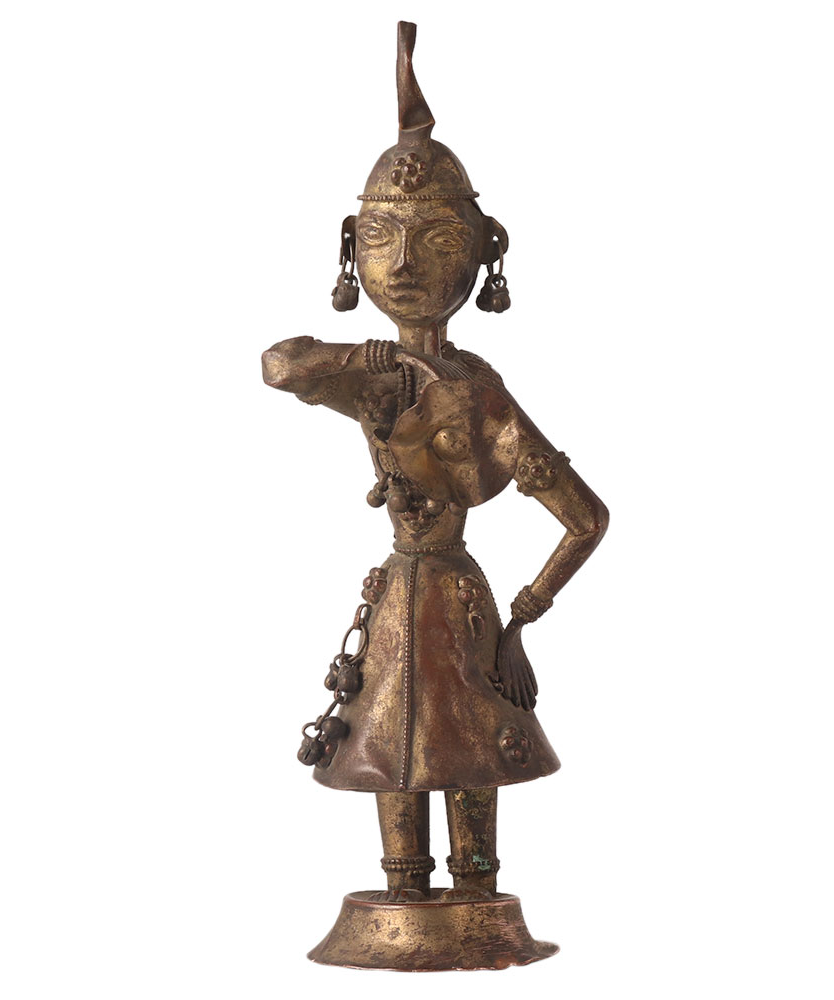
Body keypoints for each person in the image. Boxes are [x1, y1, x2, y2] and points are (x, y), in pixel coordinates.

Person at [262, 22, 607, 903]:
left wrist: (521, 620)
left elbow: (587, 518)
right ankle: (404, 890)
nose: (408, 262)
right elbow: (281, 365)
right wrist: (373, 360)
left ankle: (476, 893)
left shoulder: (481, 394)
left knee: (466, 746)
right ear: (354, 246)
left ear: (486, 249)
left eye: (439, 241)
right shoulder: (374, 379)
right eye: (385, 238)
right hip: (407, 593)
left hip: (458, 602)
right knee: (390, 749)